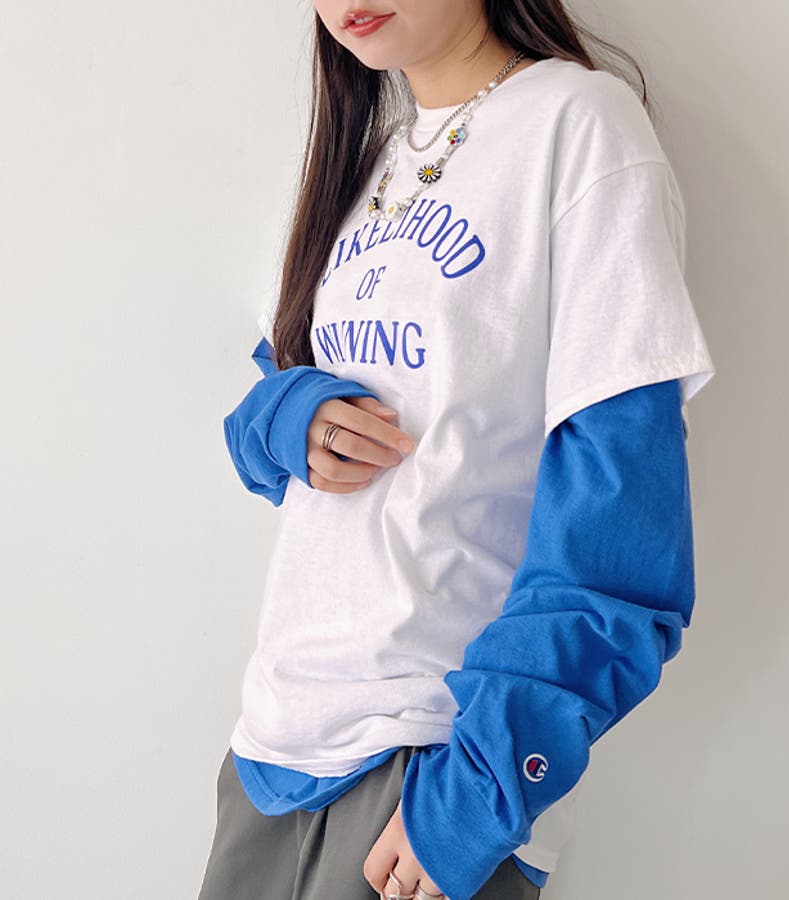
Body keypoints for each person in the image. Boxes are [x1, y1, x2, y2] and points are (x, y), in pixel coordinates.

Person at [198, 2, 716, 899]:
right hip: (271, 751)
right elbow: (266, 411)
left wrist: (482, 789)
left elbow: (623, 518)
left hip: (434, 759)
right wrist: (288, 415)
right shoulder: (363, 157)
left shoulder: (578, 125)